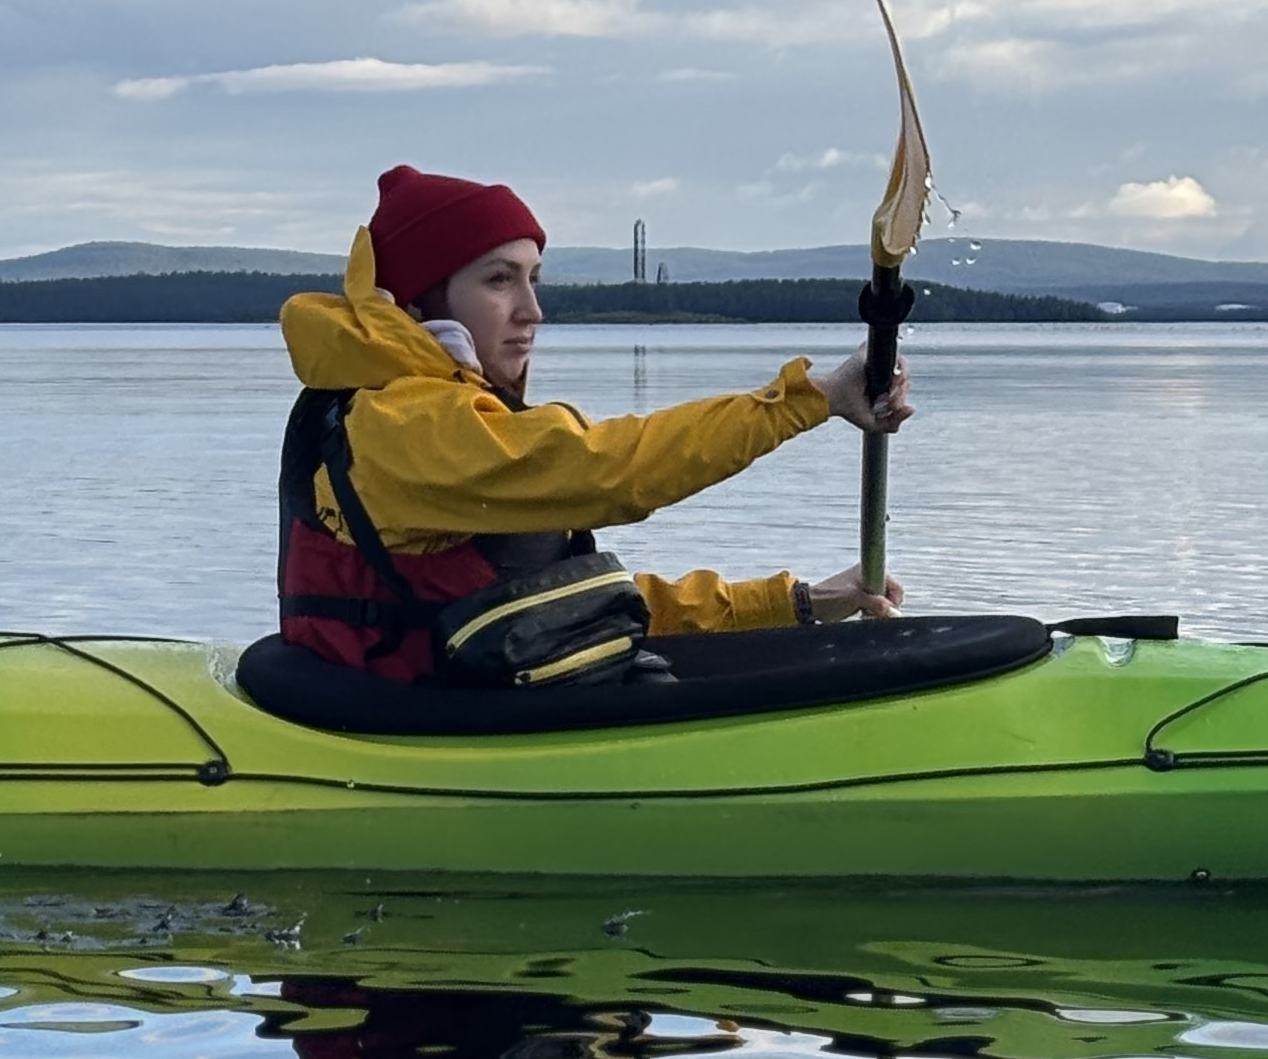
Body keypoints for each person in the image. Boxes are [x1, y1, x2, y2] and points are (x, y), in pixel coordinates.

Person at [279, 162, 909, 686]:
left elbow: (580, 607)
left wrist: (793, 604)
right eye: (500, 281)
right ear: (419, 304)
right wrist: (812, 398)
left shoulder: (449, 416)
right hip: (408, 735)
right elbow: (614, 472)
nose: (532, 311)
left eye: (534, 279)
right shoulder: (403, 426)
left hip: (462, 706)